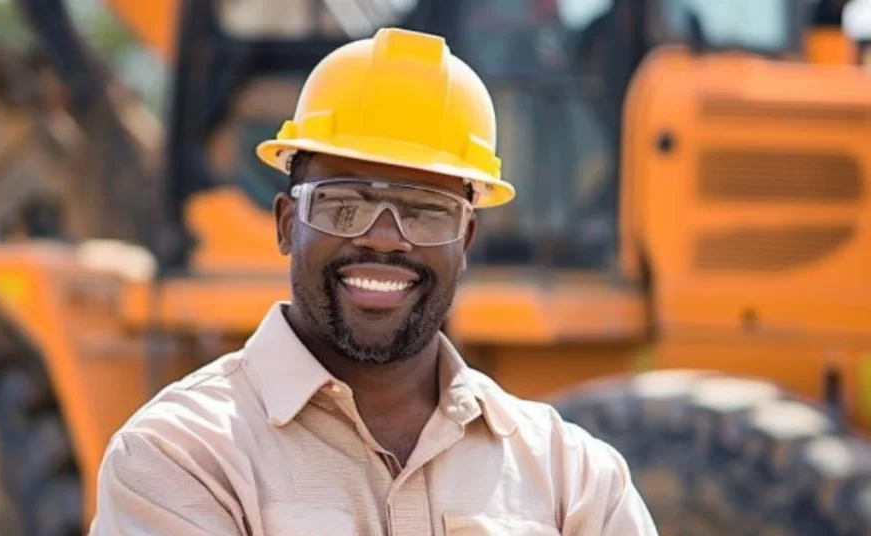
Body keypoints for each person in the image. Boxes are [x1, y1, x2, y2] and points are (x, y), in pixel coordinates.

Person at [90, 27, 657, 535]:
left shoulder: (573, 477)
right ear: (288, 224)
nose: (385, 239)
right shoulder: (182, 457)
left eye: (427, 210)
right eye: (345, 205)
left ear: (466, 242)